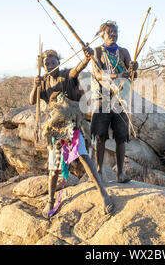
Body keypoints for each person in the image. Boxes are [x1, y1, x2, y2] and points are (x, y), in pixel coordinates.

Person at [29, 49, 113, 218]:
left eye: (53, 62)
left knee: (83, 156)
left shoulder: (67, 75)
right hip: (55, 127)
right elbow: (32, 100)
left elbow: (78, 69)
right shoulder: (45, 82)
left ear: (58, 62)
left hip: (72, 126)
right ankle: (51, 201)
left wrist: (87, 57)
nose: (50, 66)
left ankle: (103, 193)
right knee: (54, 168)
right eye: (47, 64)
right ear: (43, 66)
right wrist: (35, 85)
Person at [84, 21, 138, 183]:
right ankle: (99, 171)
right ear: (102, 34)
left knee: (121, 137)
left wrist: (135, 68)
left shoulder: (123, 52)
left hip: (120, 99)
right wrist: (117, 76)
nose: (113, 35)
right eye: (109, 33)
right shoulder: (97, 52)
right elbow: (98, 75)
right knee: (100, 136)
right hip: (102, 98)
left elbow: (133, 76)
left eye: (115, 32)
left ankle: (120, 173)